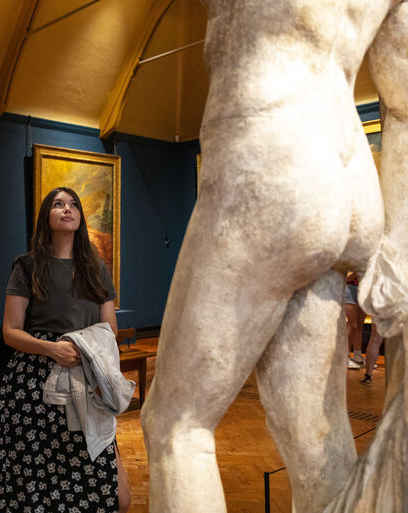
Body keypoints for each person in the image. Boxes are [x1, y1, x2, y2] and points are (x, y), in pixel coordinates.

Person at [141, 1, 408, 512]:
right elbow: (402, 102)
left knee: (177, 427)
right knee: (316, 447)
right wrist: (397, 242)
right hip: (352, 172)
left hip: (271, 145)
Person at [0, 186, 131, 513]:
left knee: (109, 488)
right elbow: (10, 332)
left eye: (72, 205)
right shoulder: (27, 267)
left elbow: (110, 328)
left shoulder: (97, 268)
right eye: (58, 204)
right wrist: (51, 349)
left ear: (80, 218)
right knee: (34, 482)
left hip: (85, 374)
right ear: (47, 217)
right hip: (32, 387)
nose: (66, 209)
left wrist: (82, 348)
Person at [344, 272, 366, 369]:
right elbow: (348, 277)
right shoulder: (352, 259)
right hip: (350, 289)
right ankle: (345, 357)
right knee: (353, 325)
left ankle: (357, 355)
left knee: (360, 326)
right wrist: (358, 270)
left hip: (364, 290)